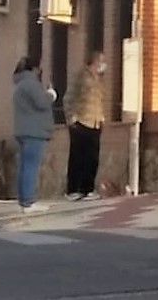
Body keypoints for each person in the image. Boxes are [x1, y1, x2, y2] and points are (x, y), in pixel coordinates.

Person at [11, 56, 56, 214]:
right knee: (31, 167)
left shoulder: (20, 84)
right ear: (34, 69)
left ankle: (24, 201)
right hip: (34, 131)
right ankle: (29, 201)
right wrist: (51, 94)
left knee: (24, 167)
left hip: (23, 130)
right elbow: (42, 103)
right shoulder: (31, 83)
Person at [63, 51, 108, 201]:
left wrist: (101, 117)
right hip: (81, 121)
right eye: (101, 61)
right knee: (77, 157)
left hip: (95, 122)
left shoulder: (99, 80)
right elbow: (69, 97)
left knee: (92, 158)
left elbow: (100, 100)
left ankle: (87, 189)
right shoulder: (80, 77)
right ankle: (73, 189)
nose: (103, 65)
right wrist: (71, 118)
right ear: (94, 61)